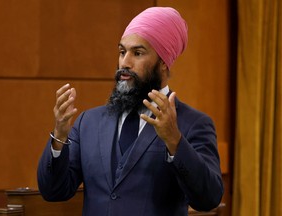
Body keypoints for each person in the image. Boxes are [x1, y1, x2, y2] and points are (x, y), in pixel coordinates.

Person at [37, 7, 223, 216]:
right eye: (122, 52)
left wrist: (174, 141)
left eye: (138, 53)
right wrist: (59, 137)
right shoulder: (88, 122)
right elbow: (53, 191)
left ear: (163, 61)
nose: (125, 63)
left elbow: (209, 198)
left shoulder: (192, 123)